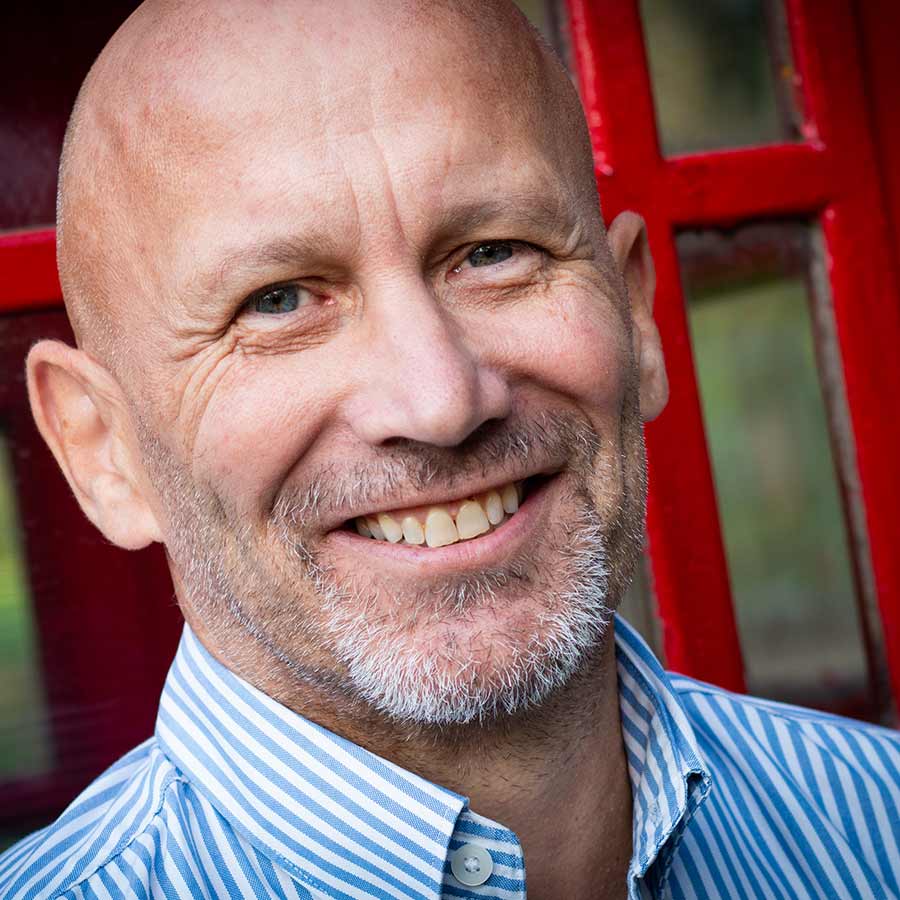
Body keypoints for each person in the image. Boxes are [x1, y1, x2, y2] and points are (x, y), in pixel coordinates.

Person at [2, 1, 899, 897]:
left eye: (495, 252)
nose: (441, 402)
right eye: (277, 301)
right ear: (101, 448)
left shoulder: (879, 823)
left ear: (634, 316)